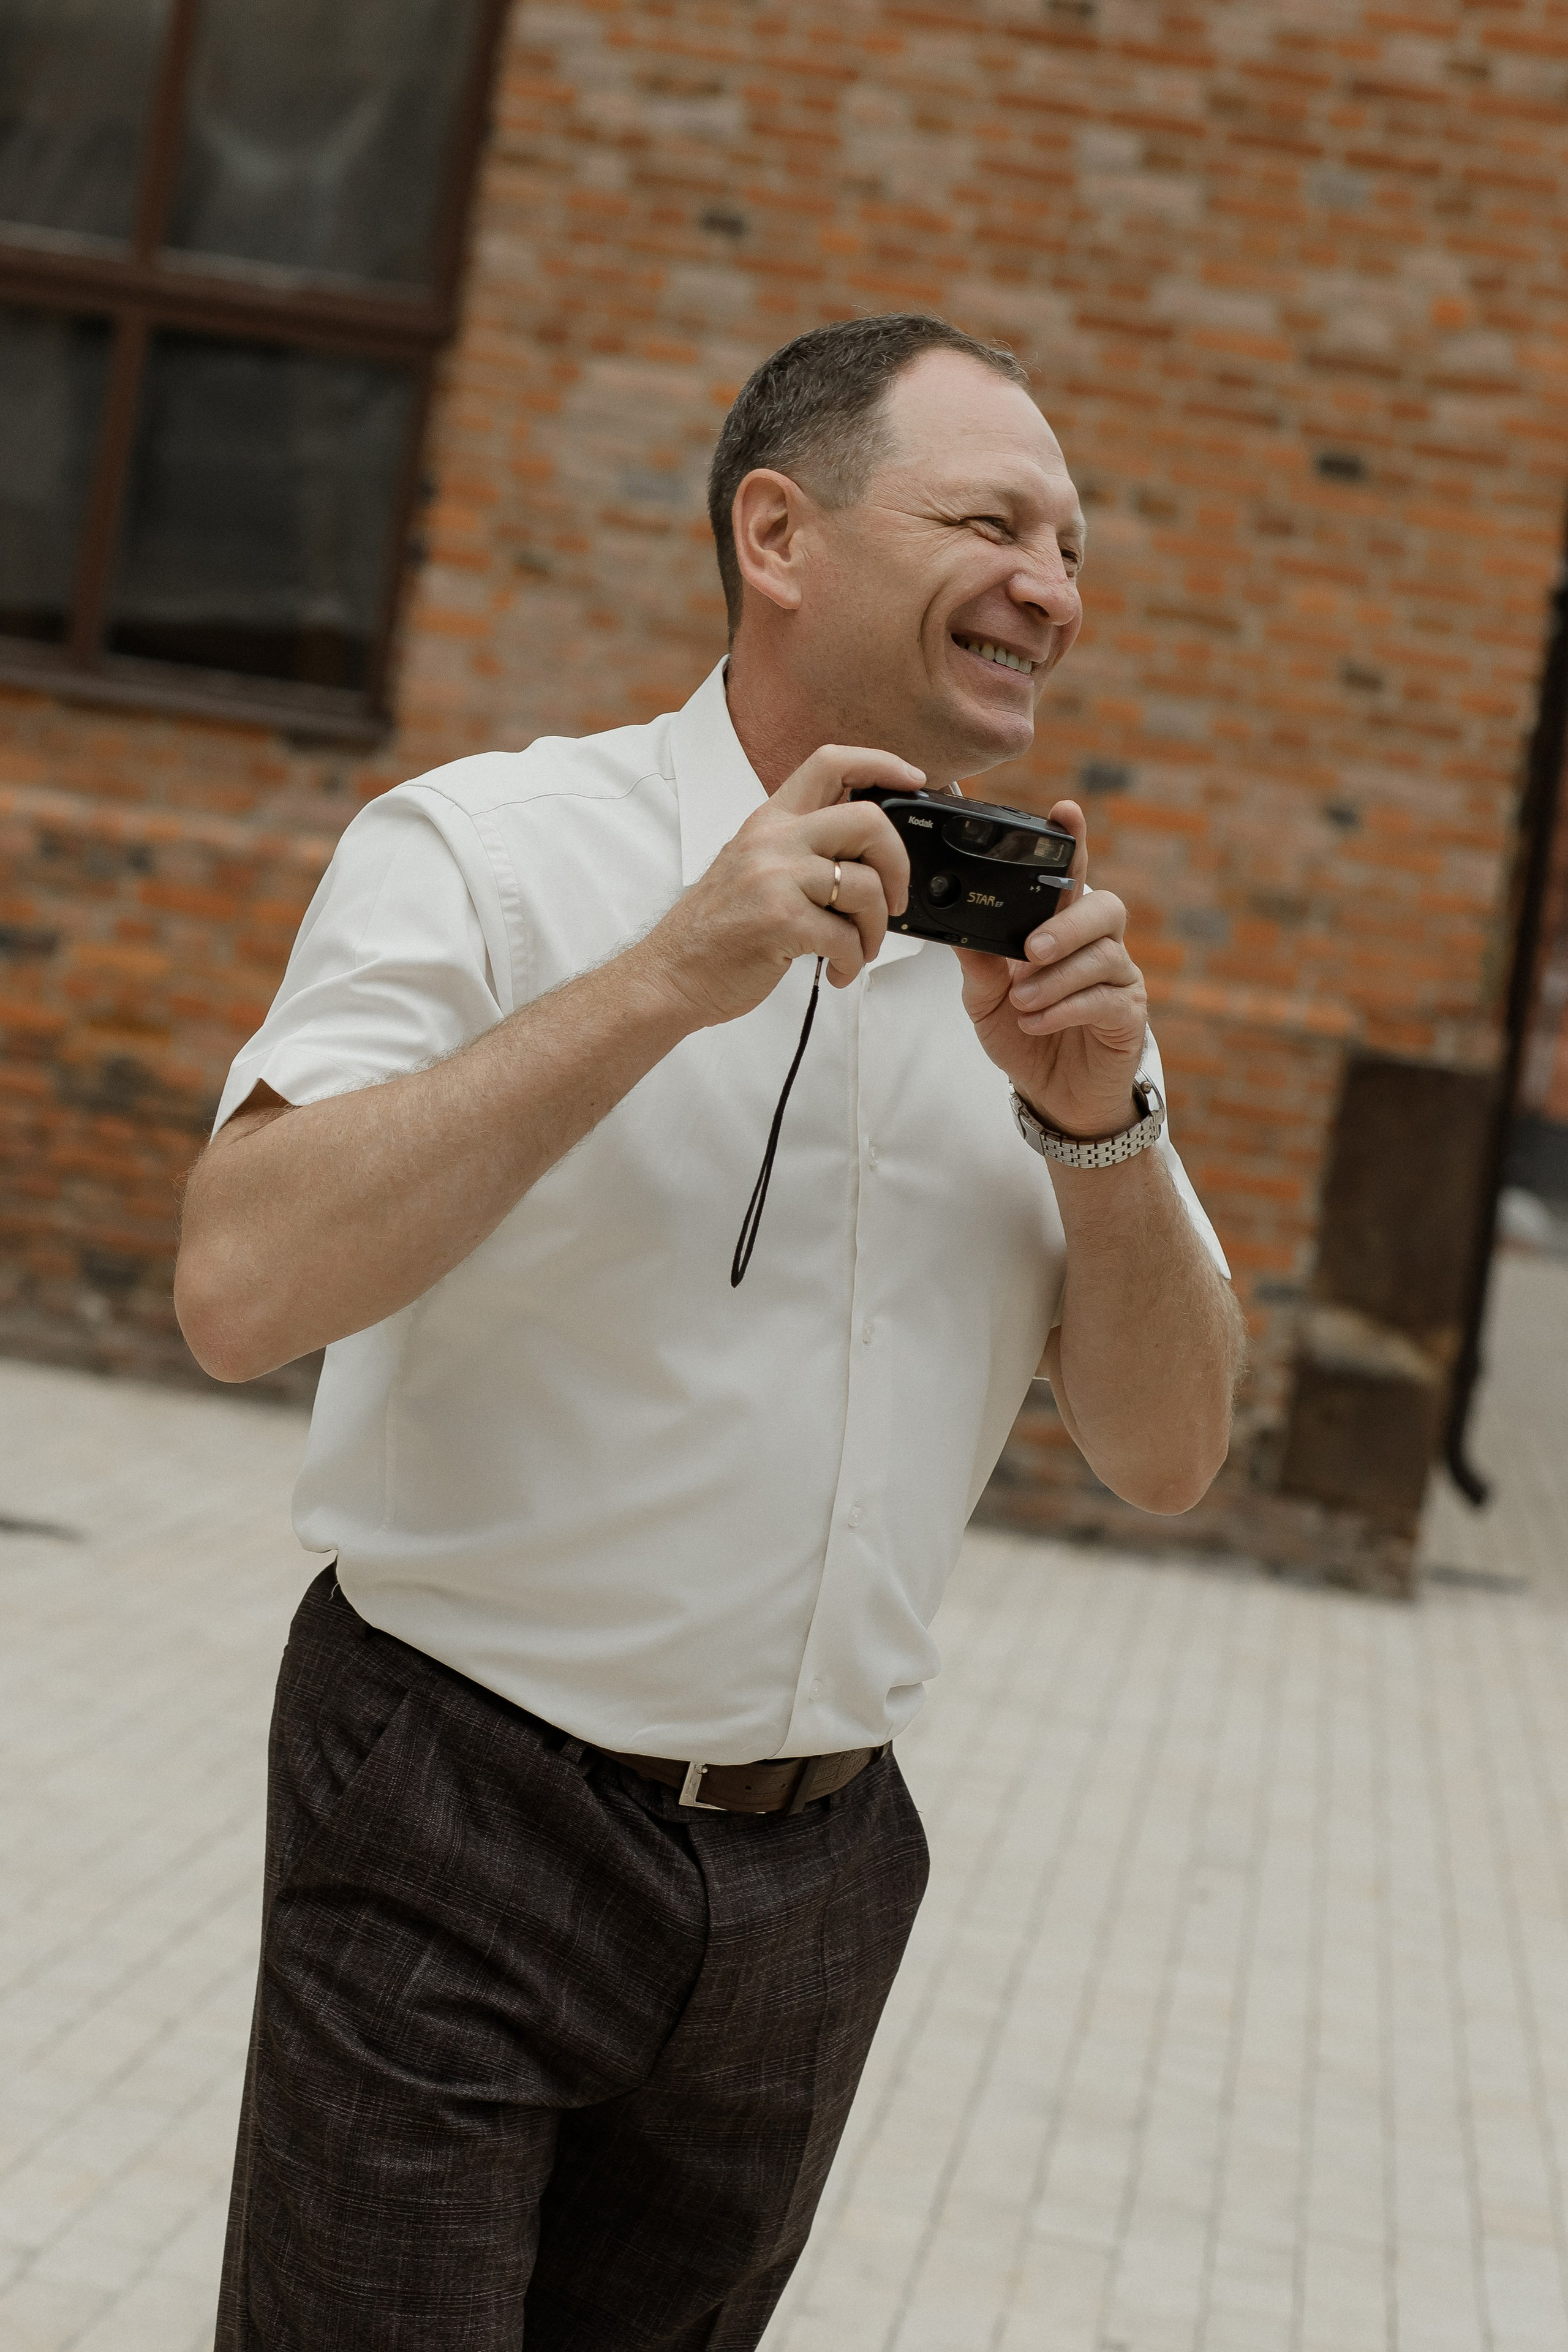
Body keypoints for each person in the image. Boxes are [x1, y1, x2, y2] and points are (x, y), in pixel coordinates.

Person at [177, 312, 1245, 2351]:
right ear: (779, 536)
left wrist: (1105, 1129)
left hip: (817, 1885)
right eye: (994, 524)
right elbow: (237, 1288)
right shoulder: (488, 853)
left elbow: (1173, 1455)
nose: (1052, 586)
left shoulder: (1044, 970)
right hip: (454, 1810)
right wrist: (673, 975)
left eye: (1074, 545)